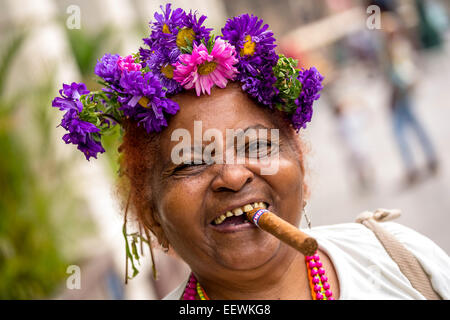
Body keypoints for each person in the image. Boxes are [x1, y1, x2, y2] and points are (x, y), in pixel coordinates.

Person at [51, 4, 449, 300]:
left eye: (257, 145)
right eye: (190, 161)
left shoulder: (402, 261)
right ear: (152, 217)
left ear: (300, 167)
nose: (234, 175)